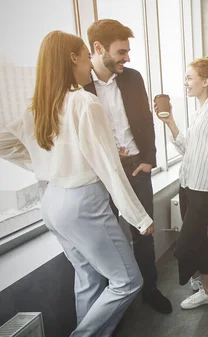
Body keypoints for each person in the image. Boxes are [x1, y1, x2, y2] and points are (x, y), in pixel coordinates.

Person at [0, 31, 152, 336]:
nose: (88, 66)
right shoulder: (84, 102)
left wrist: (48, 163)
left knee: (89, 279)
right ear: (73, 58)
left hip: (52, 202)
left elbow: (5, 143)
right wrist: (139, 217)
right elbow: (109, 168)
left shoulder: (38, 107)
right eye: (85, 57)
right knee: (128, 281)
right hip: (83, 204)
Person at [84, 19, 171, 314]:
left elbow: (146, 120)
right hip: (101, 175)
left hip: (136, 168)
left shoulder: (133, 78)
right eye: (122, 51)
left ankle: (150, 289)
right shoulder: (78, 84)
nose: (127, 58)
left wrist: (150, 159)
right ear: (98, 48)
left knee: (144, 232)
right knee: (107, 238)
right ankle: (114, 302)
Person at [156, 58, 208, 310]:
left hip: (205, 189)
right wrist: (171, 122)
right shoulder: (199, 111)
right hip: (189, 185)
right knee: (200, 239)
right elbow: (188, 150)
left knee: (184, 245)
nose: (185, 83)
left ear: (205, 81)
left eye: (189, 77)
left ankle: (196, 279)